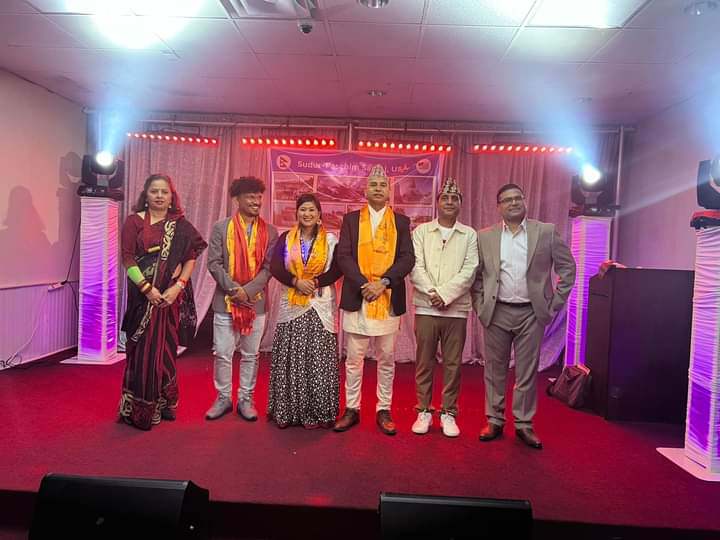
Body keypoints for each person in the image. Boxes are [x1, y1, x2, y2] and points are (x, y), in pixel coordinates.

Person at [471, 183, 576, 449]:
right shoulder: (485, 236)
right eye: (507, 200)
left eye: (518, 198)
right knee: (494, 370)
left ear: (525, 201)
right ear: (498, 207)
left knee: (527, 371)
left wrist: (554, 304)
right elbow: (477, 276)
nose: (514, 203)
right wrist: (480, 306)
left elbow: (567, 268)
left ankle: (524, 424)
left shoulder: (545, 232)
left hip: (531, 313)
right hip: (497, 312)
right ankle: (494, 420)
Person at [119, 173, 207, 430]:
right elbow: (127, 258)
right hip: (142, 298)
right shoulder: (134, 221)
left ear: (171, 198)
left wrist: (178, 287)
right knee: (141, 352)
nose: (159, 195)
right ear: (146, 196)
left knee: (164, 350)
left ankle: (164, 402)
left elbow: (191, 257)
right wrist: (147, 289)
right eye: (154, 191)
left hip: (169, 298)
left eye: (164, 192)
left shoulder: (181, 226)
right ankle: (140, 406)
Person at [333, 165, 415, 435]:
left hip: (388, 296)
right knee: (353, 359)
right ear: (365, 190)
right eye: (374, 185)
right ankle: (352, 408)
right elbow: (343, 256)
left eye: (383, 185)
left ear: (389, 192)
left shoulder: (401, 222)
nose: (378, 188)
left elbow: (407, 258)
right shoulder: (351, 220)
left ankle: (384, 409)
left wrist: (384, 282)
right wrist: (364, 284)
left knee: (387, 358)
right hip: (358, 296)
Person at [409, 178, 478, 438]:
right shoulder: (422, 231)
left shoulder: (469, 234)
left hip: (456, 309)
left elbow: (470, 270)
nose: (449, 202)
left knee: (453, 364)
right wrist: (433, 294)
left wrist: (445, 295)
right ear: (437, 202)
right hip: (426, 308)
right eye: (445, 198)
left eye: (454, 199)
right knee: (424, 362)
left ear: (460, 204)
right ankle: (423, 410)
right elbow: (415, 266)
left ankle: (449, 413)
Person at [205, 177, 278, 421]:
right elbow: (213, 263)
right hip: (225, 301)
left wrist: (247, 291)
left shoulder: (270, 232)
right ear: (237, 199)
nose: (256, 201)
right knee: (223, 353)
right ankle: (223, 398)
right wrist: (234, 289)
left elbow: (269, 267)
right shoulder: (221, 227)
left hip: (255, 302)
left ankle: (246, 398)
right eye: (250, 197)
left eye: (259, 197)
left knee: (251, 355)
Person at [268, 193, 343, 428]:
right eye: (303, 209)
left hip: (320, 304)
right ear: (297, 213)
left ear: (319, 214)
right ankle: (288, 412)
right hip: (292, 304)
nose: (307, 214)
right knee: (291, 358)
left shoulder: (330, 241)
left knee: (318, 359)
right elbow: (275, 267)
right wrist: (295, 282)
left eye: (311, 210)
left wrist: (316, 282)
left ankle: (319, 412)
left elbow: (337, 269)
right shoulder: (286, 238)